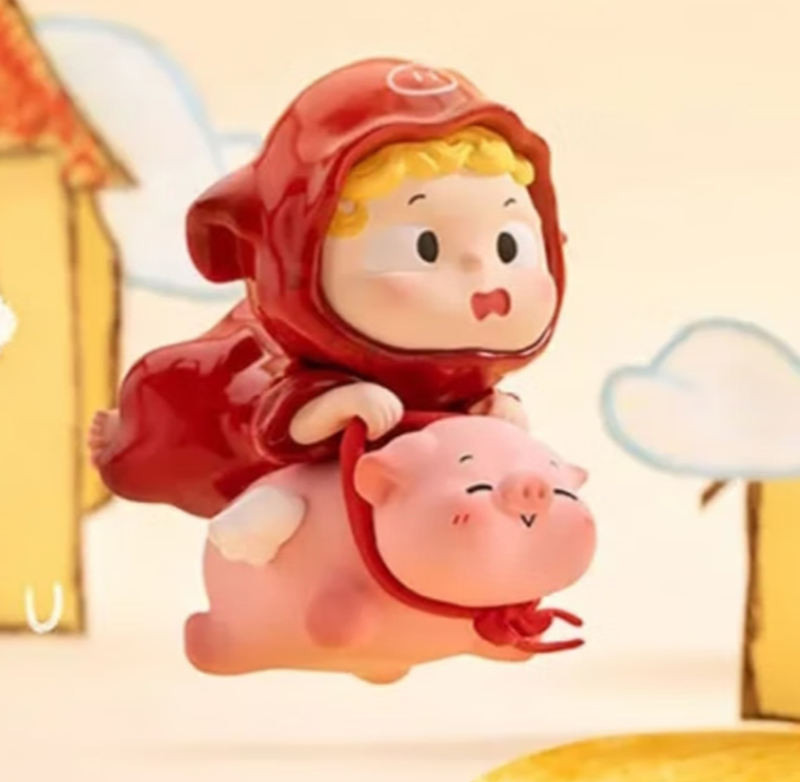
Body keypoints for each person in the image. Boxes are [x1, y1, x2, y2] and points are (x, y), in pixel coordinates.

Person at [90, 58, 567, 563]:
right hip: (320, 497)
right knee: (286, 501)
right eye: (424, 248)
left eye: (510, 247)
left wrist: (500, 416)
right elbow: (281, 425)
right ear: (304, 255)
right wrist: (336, 409)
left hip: (428, 525)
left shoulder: (464, 391)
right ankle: (247, 523)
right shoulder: (314, 377)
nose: (483, 278)